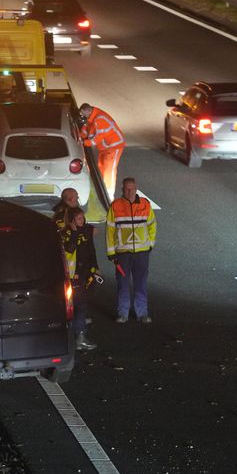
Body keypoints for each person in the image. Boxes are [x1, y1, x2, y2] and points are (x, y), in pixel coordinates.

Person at [106, 177, 156, 323]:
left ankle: (142, 313)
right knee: (123, 284)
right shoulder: (115, 206)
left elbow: (152, 225)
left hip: (141, 253)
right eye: (126, 189)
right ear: (122, 190)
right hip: (122, 254)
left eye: (131, 188)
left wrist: (150, 244)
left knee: (141, 284)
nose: (129, 191)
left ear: (136, 188)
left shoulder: (145, 205)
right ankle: (123, 313)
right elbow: (110, 230)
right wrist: (111, 252)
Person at [62, 207, 101, 350]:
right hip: (74, 277)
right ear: (72, 220)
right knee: (79, 306)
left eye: (82, 218)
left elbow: (91, 250)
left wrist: (95, 268)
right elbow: (70, 249)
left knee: (82, 304)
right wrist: (73, 231)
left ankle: (78, 335)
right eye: (78, 219)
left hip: (86, 274)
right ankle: (79, 337)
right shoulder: (66, 233)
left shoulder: (86, 230)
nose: (82, 221)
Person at [78, 103, 126, 200]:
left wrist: (83, 142)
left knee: (109, 170)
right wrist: (79, 137)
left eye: (84, 114)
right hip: (105, 147)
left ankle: (109, 195)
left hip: (114, 146)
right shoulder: (91, 118)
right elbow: (85, 130)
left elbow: (96, 140)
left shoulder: (100, 119)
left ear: (88, 111)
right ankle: (102, 190)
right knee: (101, 168)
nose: (84, 117)